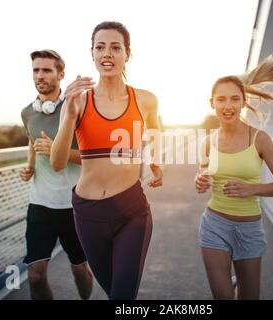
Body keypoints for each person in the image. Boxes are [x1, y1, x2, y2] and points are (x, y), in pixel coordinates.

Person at [50, 21, 163, 300]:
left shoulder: (146, 100)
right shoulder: (78, 101)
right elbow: (57, 162)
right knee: (114, 293)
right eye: (100, 47)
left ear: (127, 54)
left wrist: (154, 161)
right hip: (88, 214)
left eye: (115, 47)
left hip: (131, 211)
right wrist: (68, 115)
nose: (107, 54)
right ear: (92, 53)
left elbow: (156, 133)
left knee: (123, 298)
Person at [195, 52, 273, 299]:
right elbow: (202, 176)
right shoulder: (207, 141)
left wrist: (252, 189)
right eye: (221, 100)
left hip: (249, 228)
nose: (228, 106)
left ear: (243, 102)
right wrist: (200, 180)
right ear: (212, 103)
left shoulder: (260, 139)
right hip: (214, 224)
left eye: (234, 99)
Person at [19, 49, 93, 300]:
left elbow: (94, 155)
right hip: (40, 204)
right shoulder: (27, 112)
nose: (40, 75)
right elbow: (31, 142)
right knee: (35, 276)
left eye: (47, 70)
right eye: (36, 70)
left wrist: (57, 151)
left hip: (75, 205)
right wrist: (29, 166)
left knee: (80, 270)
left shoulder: (77, 108)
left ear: (61, 74)